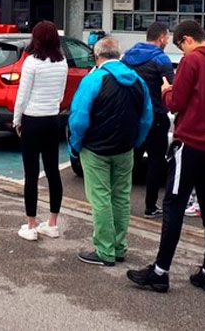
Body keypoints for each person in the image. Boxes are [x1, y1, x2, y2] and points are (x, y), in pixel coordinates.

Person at [128, 20, 205, 295]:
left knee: (174, 206)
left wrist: (167, 90)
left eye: (181, 45)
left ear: (187, 39)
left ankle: (160, 271)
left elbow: (176, 103)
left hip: (189, 145)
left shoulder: (192, 63)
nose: (181, 50)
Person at [69, 37, 152, 267]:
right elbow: (146, 117)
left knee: (101, 199)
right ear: (119, 54)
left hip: (96, 149)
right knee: (121, 197)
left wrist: (75, 147)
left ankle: (105, 251)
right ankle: (119, 246)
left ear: (97, 56)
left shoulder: (93, 79)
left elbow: (78, 119)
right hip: (125, 149)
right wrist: (136, 142)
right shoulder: (137, 81)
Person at [13, 20, 69, 241]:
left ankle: (31, 224)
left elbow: (22, 96)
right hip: (52, 120)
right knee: (53, 171)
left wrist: (17, 120)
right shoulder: (62, 62)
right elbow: (62, 94)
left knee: (31, 173)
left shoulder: (31, 63)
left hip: (32, 120)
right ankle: (52, 223)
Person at [122, 22, 176, 219]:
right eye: (167, 37)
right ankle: (150, 207)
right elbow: (172, 86)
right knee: (155, 162)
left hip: (134, 115)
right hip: (156, 117)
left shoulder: (128, 56)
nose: (168, 41)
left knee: (130, 161)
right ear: (161, 37)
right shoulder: (161, 59)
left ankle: (122, 204)